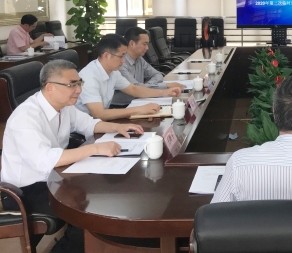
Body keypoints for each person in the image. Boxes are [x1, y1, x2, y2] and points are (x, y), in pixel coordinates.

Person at [0, 59, 144, 252]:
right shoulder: (25, 117)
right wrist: (95, 149)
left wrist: (118, 127)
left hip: (56, 176)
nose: (78, 90)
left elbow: (89, 124)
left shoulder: (64, 106)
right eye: (72, 85)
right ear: (50, 87)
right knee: (88, 214)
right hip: (27, 191)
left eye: (79, 83)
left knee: (105, 190)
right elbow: (45, 160)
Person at [76, 34, 181, 120]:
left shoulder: (113, 72)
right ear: (106, 55)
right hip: (82, 131)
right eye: (121, 56)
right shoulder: (89, 77)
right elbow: (99, 114)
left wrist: (164, 92)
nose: (124, 61)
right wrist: (139, 109)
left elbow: (134, 89)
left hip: (98, 123)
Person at [112, 27, 186, 106]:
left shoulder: (139, 59)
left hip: (140, 100)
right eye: (144, 44)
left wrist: (147, 85)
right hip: (122, 106)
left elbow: (158, 75)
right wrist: (165, 86)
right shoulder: (120, 64)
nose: (147, 48)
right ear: (132, 44)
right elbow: (135, 88)